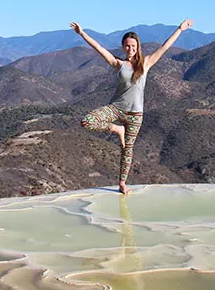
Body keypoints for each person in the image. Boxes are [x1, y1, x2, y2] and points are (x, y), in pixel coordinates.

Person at [69, 19, 194, 195]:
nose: (130, 49)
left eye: (133, 46)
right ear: (123, 47)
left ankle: (122, 183)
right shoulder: (118, 64)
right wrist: (82, 33)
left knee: (128, 150)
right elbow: (98, 47)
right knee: (87, 121)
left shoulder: (146, 63)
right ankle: (117, 130)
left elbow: (164, 47)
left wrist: (180, 29)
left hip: (136, 115)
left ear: (138, 47)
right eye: (127, 46)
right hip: (116, 109)